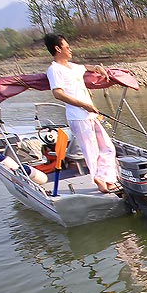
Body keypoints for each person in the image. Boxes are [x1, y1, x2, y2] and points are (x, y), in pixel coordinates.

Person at [44, 33, 119, 194]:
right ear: (58, 48)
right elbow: (57, 93)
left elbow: (87, 68)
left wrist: (98, 68)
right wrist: (83, 105)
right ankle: (100, 180)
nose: (70, 49)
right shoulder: (54, 70)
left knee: (108, 147)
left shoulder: (72, 67)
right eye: (67, 47)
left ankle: (106, 177)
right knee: (91, 150)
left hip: (90, 114)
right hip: (78, 116)